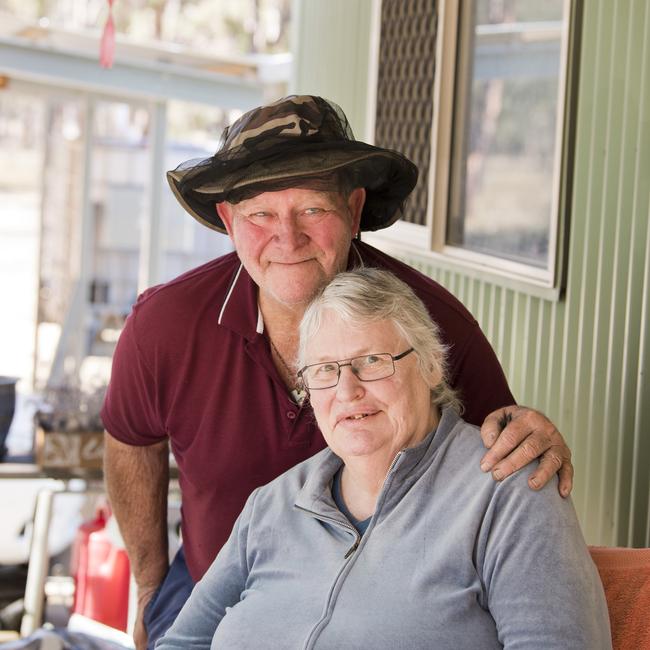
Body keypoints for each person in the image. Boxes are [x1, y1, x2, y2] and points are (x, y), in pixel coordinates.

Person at [101, 95, 574, 650]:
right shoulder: (167, 324)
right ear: (228, 221)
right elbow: (131, 441)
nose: (287, 238)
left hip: (380, 612)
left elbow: (505, 446)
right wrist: (150, 588)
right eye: (260, 215)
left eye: (312, 211)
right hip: (214, 582)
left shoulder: (431, 323)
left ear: (352, 209)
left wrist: (530, 433)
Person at [156, 268, 609, 650]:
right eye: (325, 370)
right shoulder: (273, 505)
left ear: (431, 364)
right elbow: (183, 643)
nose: (347, 390)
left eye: (372, 361)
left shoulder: (506, 490)